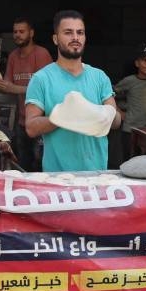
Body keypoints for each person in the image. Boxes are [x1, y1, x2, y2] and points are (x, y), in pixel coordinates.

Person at [25, 10, 121, 172]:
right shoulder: (41, 79)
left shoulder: (99, 77)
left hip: (97, 176)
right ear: (55, 39)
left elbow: (116, 122)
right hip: (57, 179)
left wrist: (100, 113)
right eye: (68, 32)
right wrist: (62, 116)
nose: (75, 38)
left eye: (80, 32)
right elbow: (31, 127)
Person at [0, 17, 52, 171]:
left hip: (42, 121)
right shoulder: (13, 56)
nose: (17, 35)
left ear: (31, 33)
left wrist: (15, 88)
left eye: (22, 31)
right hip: (22, 122)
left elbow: (47, 88)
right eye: (15, 32)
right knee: (23, 164)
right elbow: (8, 84)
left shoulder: (41, 54)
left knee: (41, 165)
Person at [111, 45, 146, 166]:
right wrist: (119, 112)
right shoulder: (129, 81)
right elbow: (108, 94)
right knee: (129, 164)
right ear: (137, 63)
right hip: (131, 130)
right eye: (144, 60)